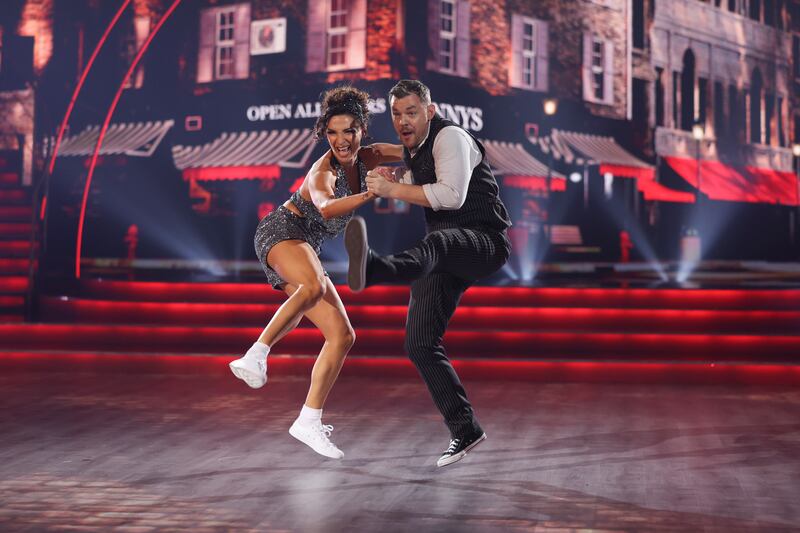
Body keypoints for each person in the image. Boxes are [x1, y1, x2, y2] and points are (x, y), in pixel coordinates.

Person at [344, 79, 512, 467]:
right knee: (419, 342)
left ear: (429, 111)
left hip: (484, 241)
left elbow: (450, 195)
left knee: (438, 243)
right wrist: (390, 179)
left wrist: (392, 189)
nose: (403, 120)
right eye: (396, 114)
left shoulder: (449, 137)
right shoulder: (417, 151)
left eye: (411, 112)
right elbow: (411, 178)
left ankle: (374, 267)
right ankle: (465, 428)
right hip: (445, 252)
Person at [229, 86, 398, 459]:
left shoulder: (369, 156)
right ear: (325, 133)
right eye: (333, 132)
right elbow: (324, 207)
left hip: (305, 245)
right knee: (313, 284)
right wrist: (375, 193)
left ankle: (308, 419)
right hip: (281, 232)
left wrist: (447, 146)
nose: (341, 140)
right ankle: (257, 353)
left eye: (349, 130)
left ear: (361, 130)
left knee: (342, 335)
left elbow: (413, 152)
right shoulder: (322, 170)